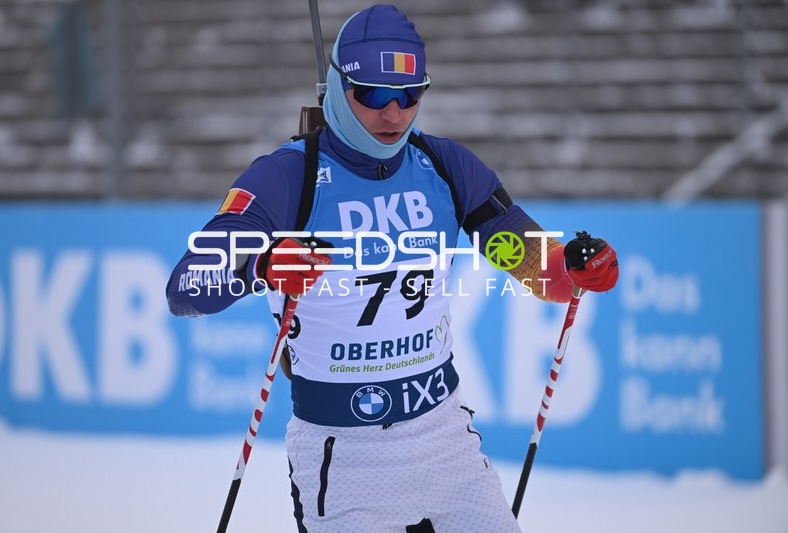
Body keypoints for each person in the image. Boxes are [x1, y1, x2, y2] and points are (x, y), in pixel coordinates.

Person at [166, 4, 619, 531]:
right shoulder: (289, 176)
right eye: (374, 95)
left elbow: (538, 269)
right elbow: (186, 286)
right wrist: (262, 264)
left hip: (446, 442)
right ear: (338, 87)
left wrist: (574, 269)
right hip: (344, 455)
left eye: (410, 95)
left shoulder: (447, 167)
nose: (394, 114)